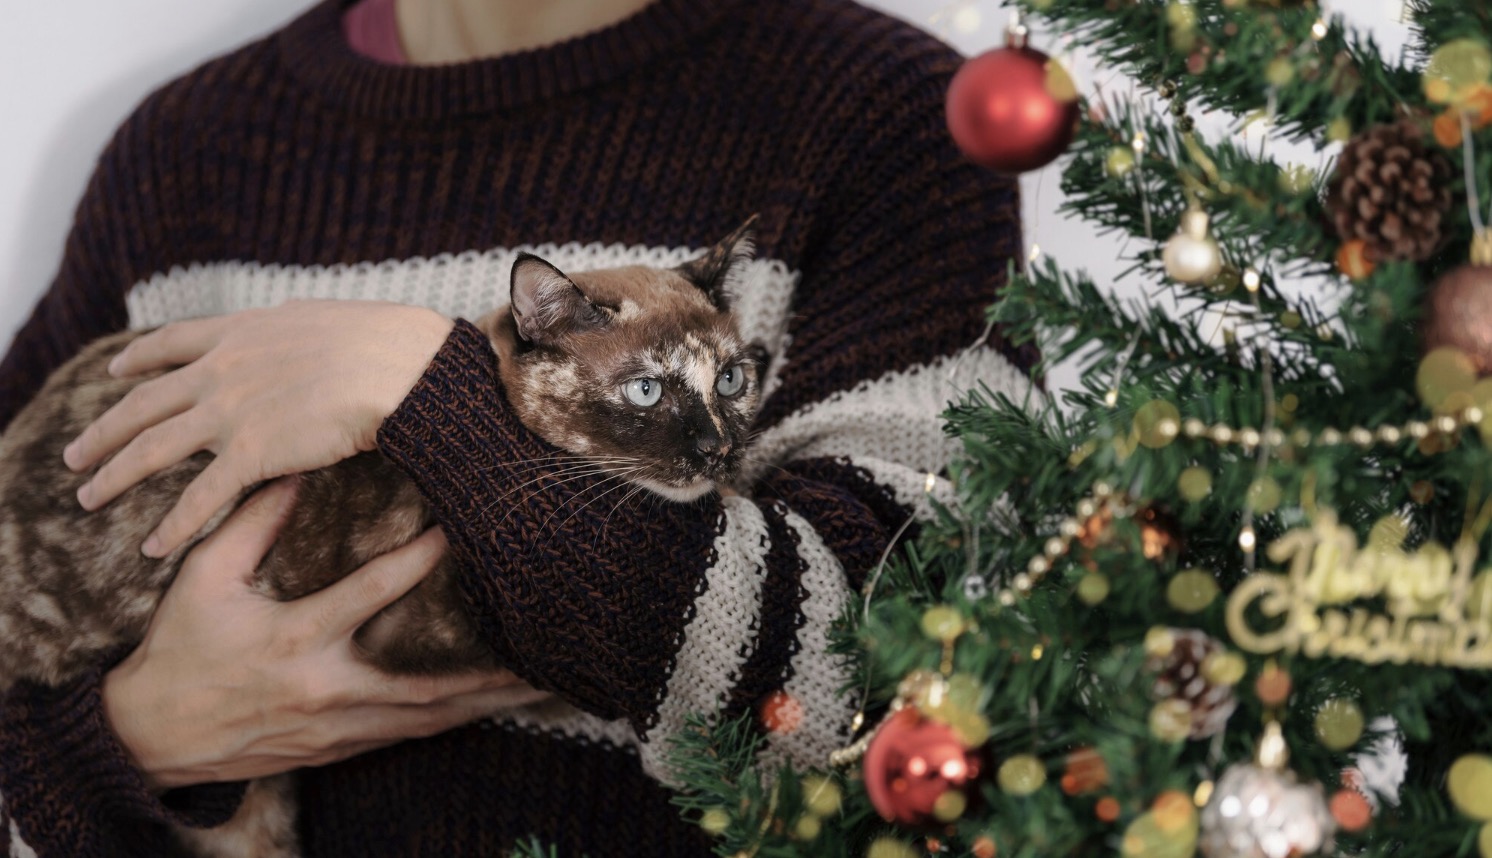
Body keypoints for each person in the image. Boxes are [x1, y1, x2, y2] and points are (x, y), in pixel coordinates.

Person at [0, 0, 1035, 853]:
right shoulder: (181, 153)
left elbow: (922, 694)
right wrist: (128, 739)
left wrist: (429, 393)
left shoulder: (889, 113)